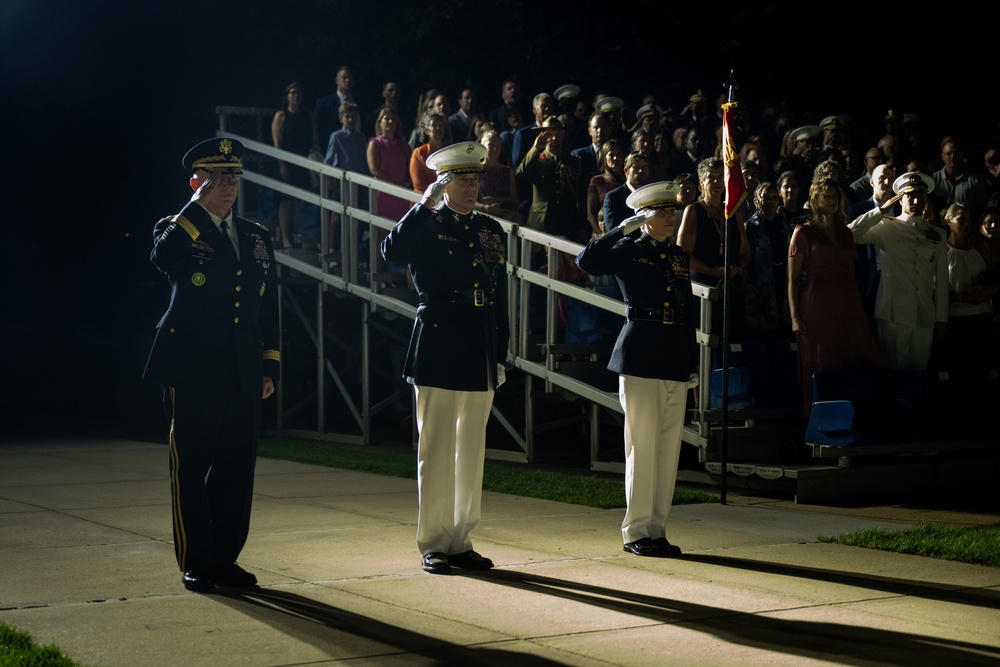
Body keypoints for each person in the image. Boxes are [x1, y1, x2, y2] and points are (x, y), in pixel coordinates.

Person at [143, 137, 280, 592]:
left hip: (242, 368)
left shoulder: (257, 237)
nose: (228, 185)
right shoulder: (178, 227)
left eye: (234, 176)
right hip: (192, 367)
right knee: (192, 465)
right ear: (196, 183)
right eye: (218, 178)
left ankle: (226, 559)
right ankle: (197, 560)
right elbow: (163, 258)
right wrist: (196, 209)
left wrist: (269, 366)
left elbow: (268, 308)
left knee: (236, 469)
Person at [380, 141, 510, 574]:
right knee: (436, 449)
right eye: (462, 178)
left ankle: (460, 538)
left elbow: (500, 298)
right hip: (437, 338)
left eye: (476, 178)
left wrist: (501, 354)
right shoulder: (427, 223)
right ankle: (434, 541)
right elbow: (391, 252)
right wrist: (422, 205)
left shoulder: (491, 229)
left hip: (478, 344)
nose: (472, 186)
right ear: (445, 182)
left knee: (470, 450)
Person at [575, 181, 695, 559]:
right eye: (662, 212)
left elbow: (684, 309)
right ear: (645, 216)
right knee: (641, 447)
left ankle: (656, 528)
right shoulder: (630, 249)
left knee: (666, 449)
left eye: (671, 211)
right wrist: (624, 228)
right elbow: (588, 261)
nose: (669, 217)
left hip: (672, 354)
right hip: (640, 352)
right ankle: (635, 529)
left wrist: (689, 362)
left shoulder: (677, 256)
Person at [788, 178, 889, 417]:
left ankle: (855, 417)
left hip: (847, 301)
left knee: (854, 357)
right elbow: (792, 279)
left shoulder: (845, 232)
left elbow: (852, 273)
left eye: (835, 196)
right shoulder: (803, 231)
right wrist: (794, 316)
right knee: (821, 361)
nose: (832, 201)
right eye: (826, 196)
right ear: (815, 199)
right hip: (816, 304)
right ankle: (820, 419)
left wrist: (857, 306)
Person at [848, 172, 950, 371]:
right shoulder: (885, 225)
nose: (915, 201)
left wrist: (941, 318)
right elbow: (850, 233)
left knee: (920, 374)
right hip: (893, 313)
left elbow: (943, 280)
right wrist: (880, 210)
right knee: (895, 374)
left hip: (924, 313)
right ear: (900, 198)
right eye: (909, 196)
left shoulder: (937, 232)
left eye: (920, 197)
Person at [677, 157, 751, 336]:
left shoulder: (732, 211)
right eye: (711, 177)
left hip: (730, 286)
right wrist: (713, 271)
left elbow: (745, 252)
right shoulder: (693, 211)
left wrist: (738, 267)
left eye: (720, 176)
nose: (717, 181)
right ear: (701, 184)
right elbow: (682, 253)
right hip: (703, 288)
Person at [940, 202, 996, 370]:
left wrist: (987, 290)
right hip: (954, 319)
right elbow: (932, 289)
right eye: (961, 219)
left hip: (981, 316)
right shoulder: (940, 251)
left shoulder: (981, 251)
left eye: (970, 220)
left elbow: (993, 280)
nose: (966, 224)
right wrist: (962, 298)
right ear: (948, 221)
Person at [516, 115, 587, 242]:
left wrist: (582, 225)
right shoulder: (535, 159)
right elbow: (521, 173)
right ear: (542, 136)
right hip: (541, 221)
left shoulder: (574, 161)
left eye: (558, 135)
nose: (554, 139)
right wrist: (535, 148)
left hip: (567, 221)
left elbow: (581, 194)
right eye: (549, 135)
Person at [744, 181, 793, 336]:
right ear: (756, 201)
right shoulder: (750, 228)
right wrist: (750, 294)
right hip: (761, 286)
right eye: (766, 197)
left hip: (784, 281)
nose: (771, 201)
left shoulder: (787, 225)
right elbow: (745, 264)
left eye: (774, 197)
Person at [271, 82, 317, 249]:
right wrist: (282, 165)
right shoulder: (282, 116)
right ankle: (285, 238)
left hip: (302, 163)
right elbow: (277, 142)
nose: (296, 96)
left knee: (297, 201)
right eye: (293, 93)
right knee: (285, 200)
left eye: (298, 93)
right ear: (287, 96)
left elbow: (314, 141)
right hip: (286, 163)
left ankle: (294, 235)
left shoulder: (307, 116)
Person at [324, 102, 370, 252]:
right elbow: (329, 160)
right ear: (341, 118)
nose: (350, 120)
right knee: (336, 216)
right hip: (341, 180)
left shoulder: (361, 138)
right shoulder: (337, 136)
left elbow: (363, 161)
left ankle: (351, 248)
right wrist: (330, 180)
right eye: (347, 117)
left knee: (354, 217)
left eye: (353, 117)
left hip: (357, 181)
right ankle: (331, 248)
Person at [367, 108, 413, 224]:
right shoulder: (375, 144)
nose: (390, 122)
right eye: (387, 118)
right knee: (382, 230)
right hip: (383, 193)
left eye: (393, 119)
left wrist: (406, 182)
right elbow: (374, 170)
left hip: (402, 192)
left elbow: (410, 166)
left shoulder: (403, 145)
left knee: (400, 229)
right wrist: (393, 187)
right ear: (380, 122)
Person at [603, 151, 652, 234]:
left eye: (644, 167)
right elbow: (612, 229)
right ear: (626, 170)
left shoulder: (652, 195)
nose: (641, 171)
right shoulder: (613, 197)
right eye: (636, 167)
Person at [475, 129, 518, 221]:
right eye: (491, 145)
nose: (495, 149)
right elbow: (469, 200)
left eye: (498, 146)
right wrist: (485, 208)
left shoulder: (508, 171)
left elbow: (514, 200)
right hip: (482, 218)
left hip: (504, 219)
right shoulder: (476, 170)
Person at [585, 139, 624, 236]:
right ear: (604, 158)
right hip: (603, 231)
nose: (615, 158)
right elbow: (590, 213)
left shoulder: (628, 180)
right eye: (611, 154)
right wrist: (600, 233)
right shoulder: (597, 181)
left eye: (618, 154)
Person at [314, 66, 356, 153]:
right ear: (337, 80)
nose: (348, 80)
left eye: (350, 78)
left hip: (357, 153)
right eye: (344, 77)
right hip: (333, 153)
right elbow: (319, 130)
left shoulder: (360, 103)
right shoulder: (324, 103)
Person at [410, 112, 449, 193]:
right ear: (427, 131)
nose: (438, 128)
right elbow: (418, 185)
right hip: (423, 200)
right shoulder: (418, 153)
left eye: (441, 125)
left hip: (447, 201)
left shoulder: (449, 152)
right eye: (434, 125)